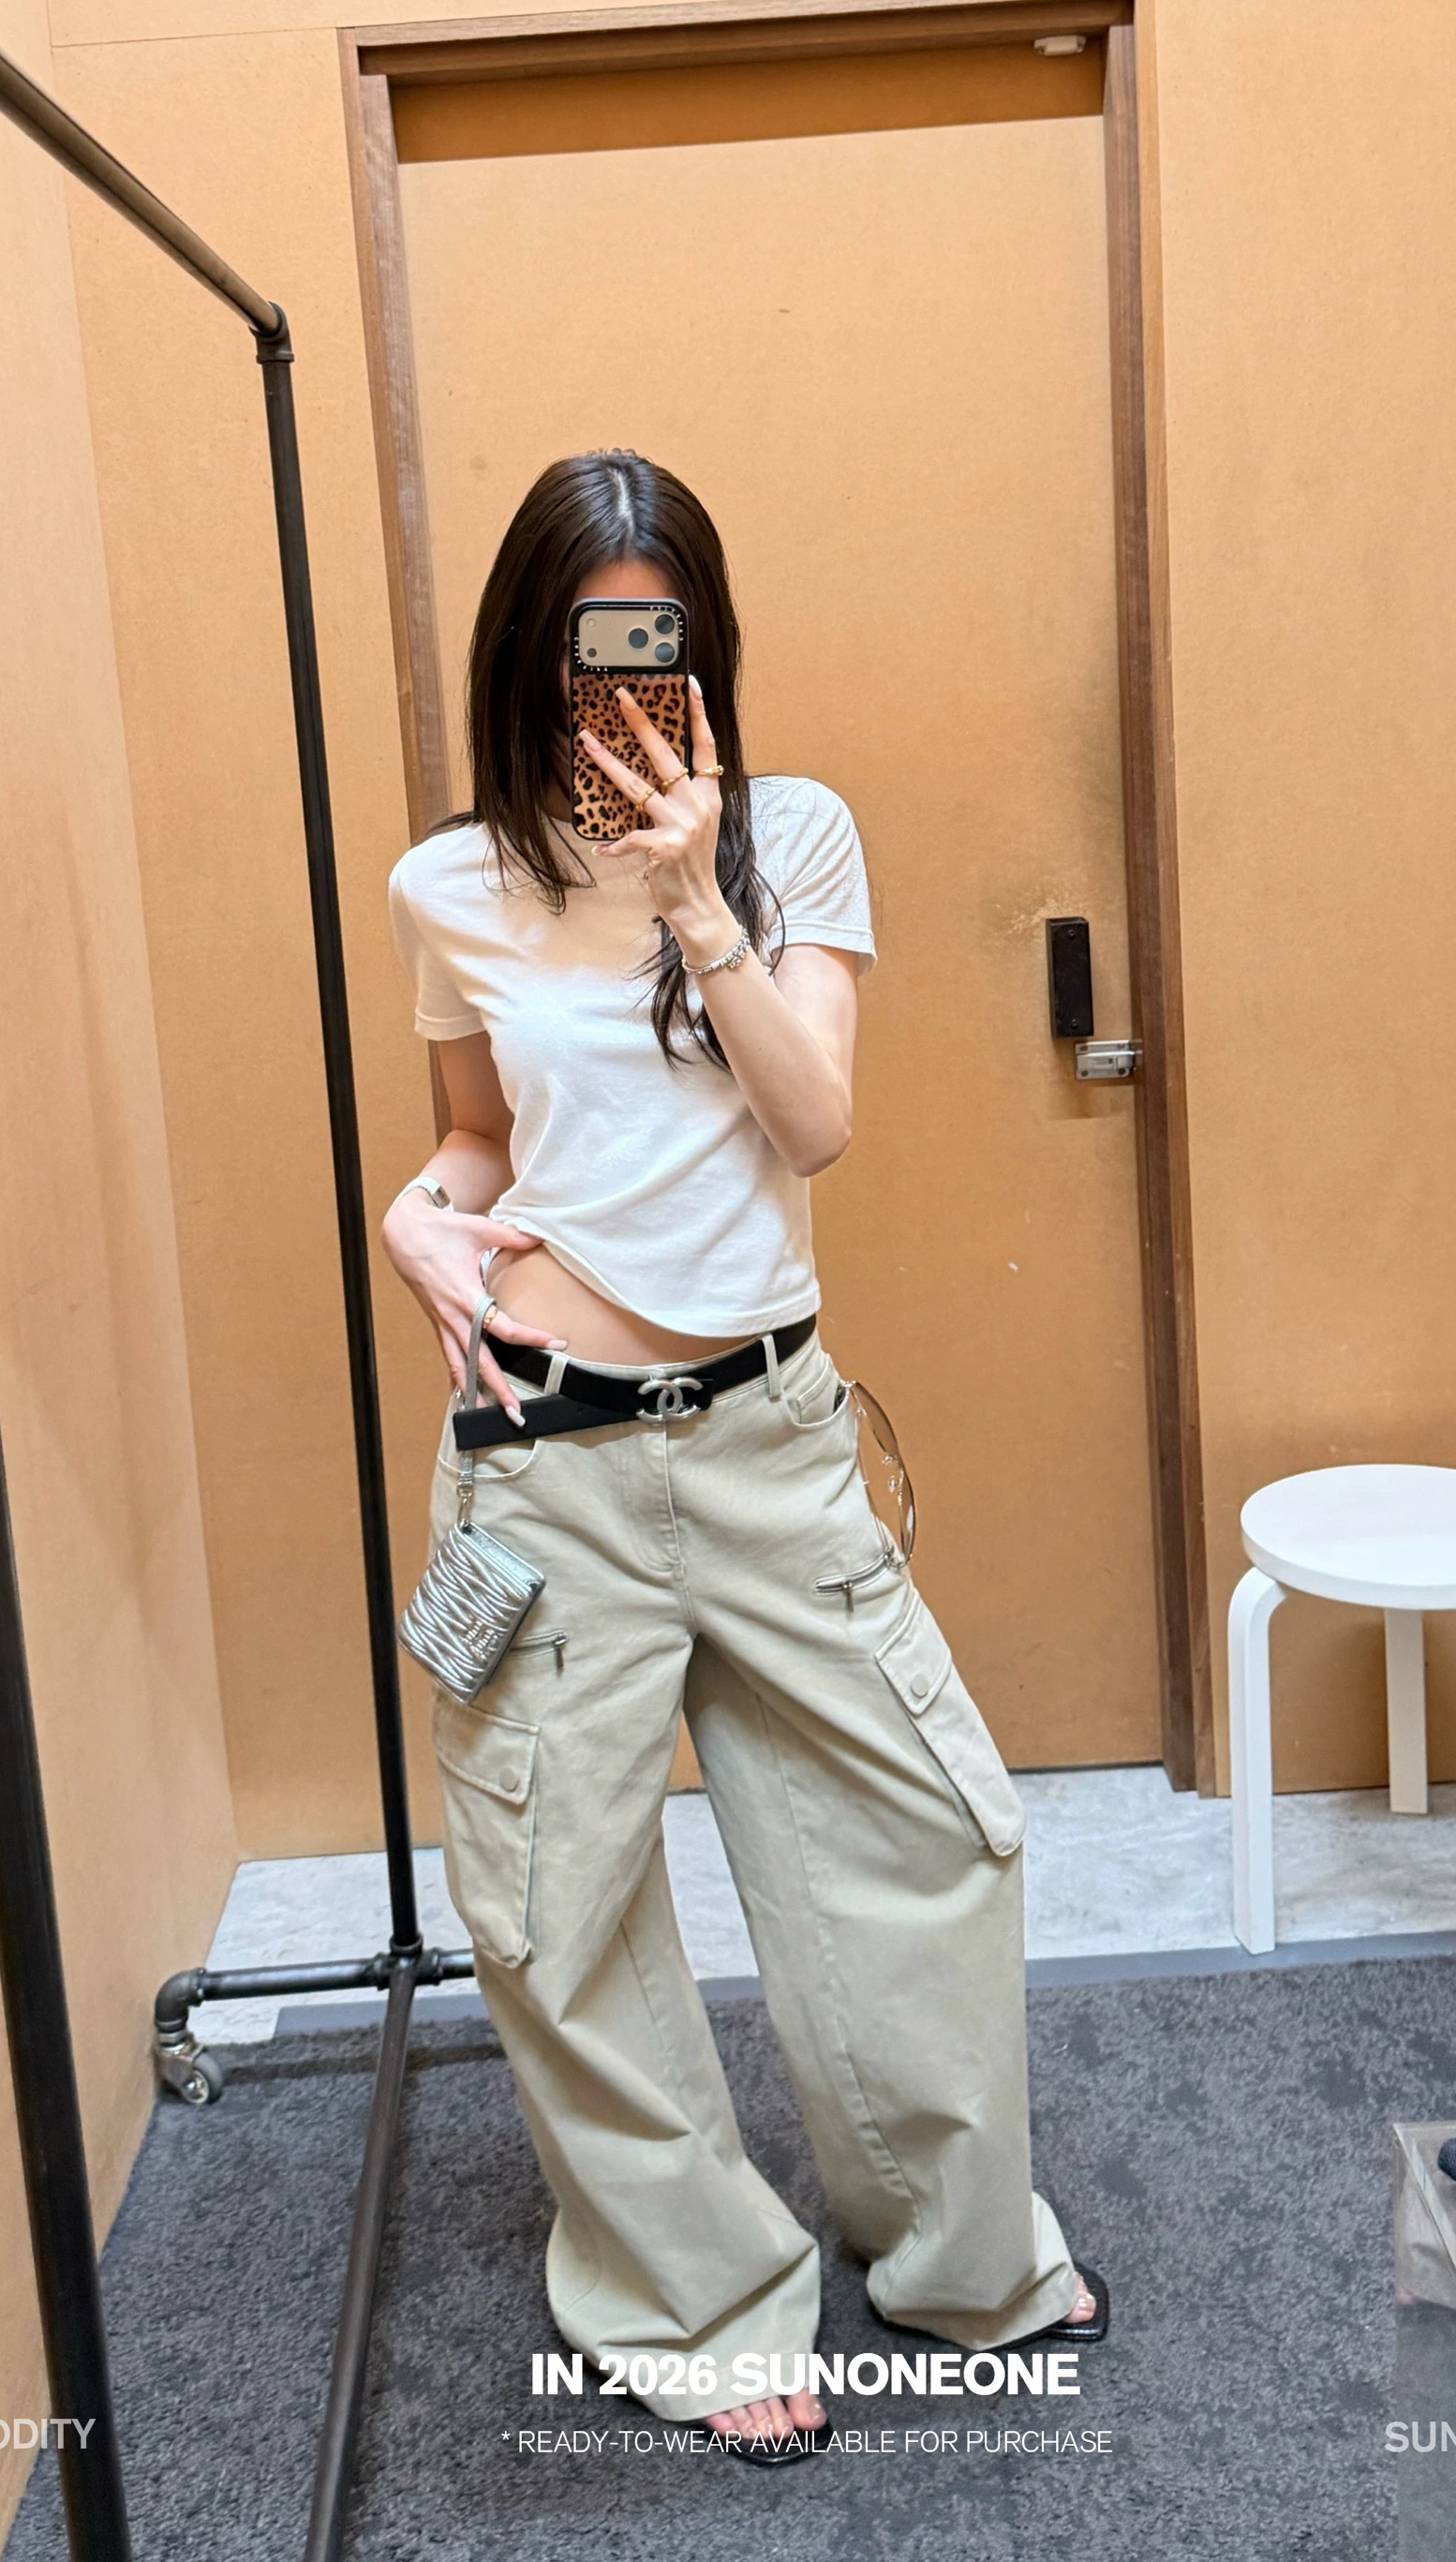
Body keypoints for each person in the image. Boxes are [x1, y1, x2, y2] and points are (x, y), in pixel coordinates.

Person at [380, 449, 1105, 2463]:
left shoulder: (796, 841)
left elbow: (814, 1125)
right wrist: (414, 1216)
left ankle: (960, 2251)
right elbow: (482, 1140)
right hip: (543, 1467)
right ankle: (695, 2300)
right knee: (556, 1901)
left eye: (657, 640)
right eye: (584, 645)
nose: (619, 687)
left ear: (703, 645)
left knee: (929, 1841)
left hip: (772, 1442)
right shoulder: (450, 883)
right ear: (522, 653)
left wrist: (696, 894)